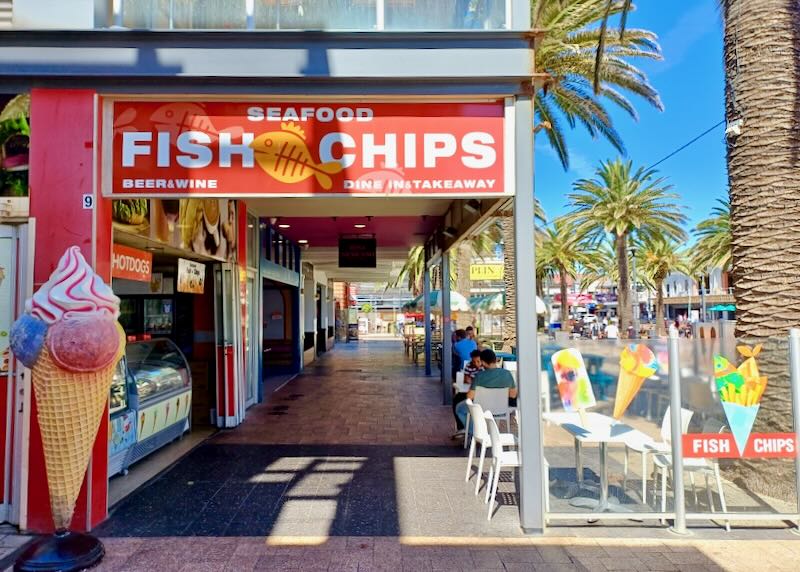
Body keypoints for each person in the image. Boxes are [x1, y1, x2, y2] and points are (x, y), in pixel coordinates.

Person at [454, 349, 517, 436]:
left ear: (483, 362)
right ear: (495, 359)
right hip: (501, 409)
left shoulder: (479, 376)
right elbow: (513, 395)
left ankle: (474, 432)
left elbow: (469, 396)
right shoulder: (507, 374)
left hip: (481, 409)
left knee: (459, 409)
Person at [451, 349, 484, 437]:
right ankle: (461, 427)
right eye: (474, 361)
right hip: (471, 392)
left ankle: (468, 429)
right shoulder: (469, 365)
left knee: (460, 404)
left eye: (478, 361)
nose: (476, 363)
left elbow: (471, 380)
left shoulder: (484, 367)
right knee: (456, 399)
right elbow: (466, 379)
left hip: (477, 395)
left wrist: (472, 380)